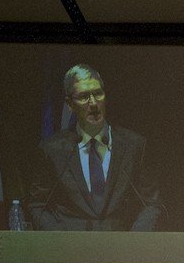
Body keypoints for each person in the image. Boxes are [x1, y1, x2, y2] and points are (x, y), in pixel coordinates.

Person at [26, 64, 160, 232]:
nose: (93, 103)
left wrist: (133, 243)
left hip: (121, 250)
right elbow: (37, 205)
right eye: (83, 96)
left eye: (98, 94)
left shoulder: (134, 145)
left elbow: (151, 204)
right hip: (70, 250)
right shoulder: (52, 149)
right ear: (69, 104)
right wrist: (60, 242)